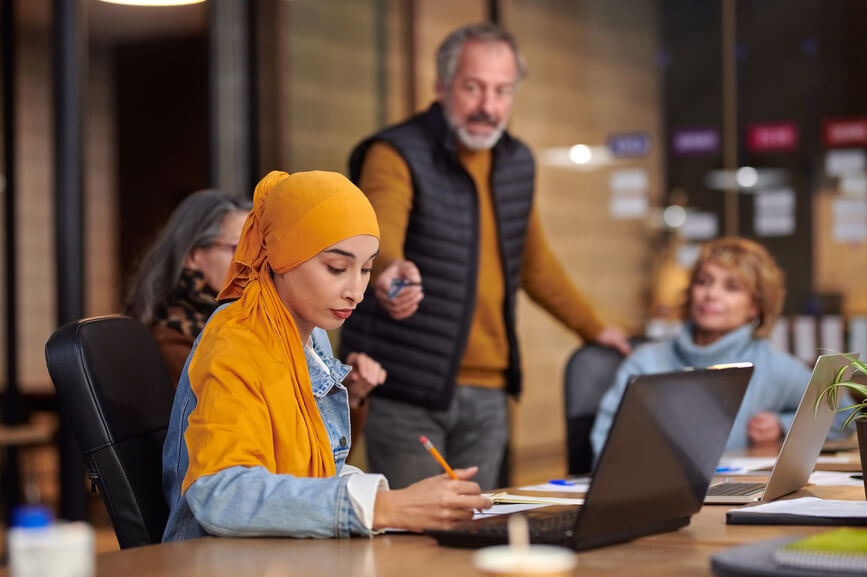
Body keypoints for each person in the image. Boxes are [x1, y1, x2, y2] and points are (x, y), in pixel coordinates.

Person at [339, 22, 631, 491]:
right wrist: (390, 272)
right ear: (442, 86)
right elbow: (377, 230)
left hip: (489, 390)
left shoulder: (516, 161)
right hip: (406, 384)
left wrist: (595, 329)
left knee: (477, 532)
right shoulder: (396, 152)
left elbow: (533, 262)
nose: (488, 107)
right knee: (418, 542)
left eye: (502, 91)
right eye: (473, 88)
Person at [161, 170, 490, 541]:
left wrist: (398, 503)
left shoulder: (309, 334)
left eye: (366, 269)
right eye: (337, 268)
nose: (356, 291)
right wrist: (382, 507)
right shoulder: (237, 337)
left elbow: (314, 473)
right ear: (283, 256)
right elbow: (222, 493)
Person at [126, 188, 385, 452]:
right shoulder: (202, 343)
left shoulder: (283, 327)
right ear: (193, 256)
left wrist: (346, 395)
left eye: (260, 250)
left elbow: (321, 463)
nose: (252, 262)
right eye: (238, 249)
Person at [590, 236, 850, 459]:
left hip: (731, 499)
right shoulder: (645, 363)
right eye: (703, 281)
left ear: (754, 306)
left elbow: (844, 411)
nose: (711, 294)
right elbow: (605, 446)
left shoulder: (772, 365)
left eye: (731, 287)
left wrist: (783, 426)